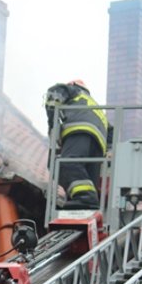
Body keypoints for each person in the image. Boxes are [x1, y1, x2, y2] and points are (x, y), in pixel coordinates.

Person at [43, 79, 110, 210]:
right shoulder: (96, 109)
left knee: (68, 164)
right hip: (98, 146)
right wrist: (110, 149)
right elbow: (111, 130)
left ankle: (85, 197)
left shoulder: (74, 91)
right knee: (88, 179)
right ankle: (85, 204)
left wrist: (52, 122)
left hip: (79, 131)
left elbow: (55, 93)